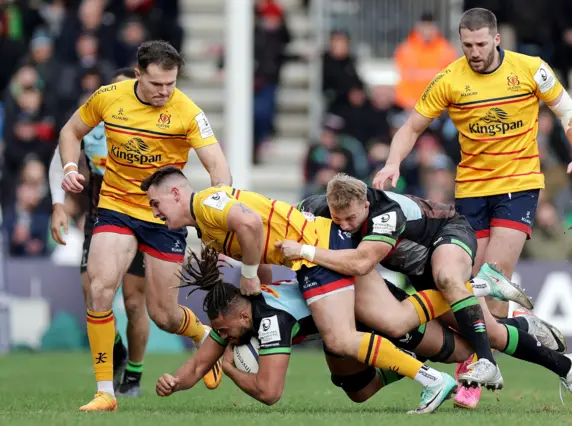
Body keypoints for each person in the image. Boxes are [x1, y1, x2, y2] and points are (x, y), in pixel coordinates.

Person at [372, 7, 572, 409]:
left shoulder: (530, 69)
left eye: (479, 44)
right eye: (466, 45)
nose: (473, 52)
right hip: (471, 192)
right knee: (473, 300)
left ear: (496, 39)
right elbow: (411, 127)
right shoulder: (450, 78)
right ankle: (547, 346)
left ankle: (474, 381)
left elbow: (570, 113)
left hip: (518, 186)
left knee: (488, 281)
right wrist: (393, 162)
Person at [141, 166, 468, 413]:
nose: (155, 212)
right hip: (313, 251)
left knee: (344, 337)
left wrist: (250, 276)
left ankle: (432, 380)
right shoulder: (210, 236)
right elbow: (200, 363)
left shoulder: (208, 203)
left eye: (156, 203)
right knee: (358, 385)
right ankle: (470, 291)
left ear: (175, 194)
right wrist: (176, 383)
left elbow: (251, 224)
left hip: (315, 247)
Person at [280, 174, 572, 410]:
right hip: (419, 272)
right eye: (339, 220)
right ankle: (564, 362)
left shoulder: (385, 214)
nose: (345, 226)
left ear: (365, 204)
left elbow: (361, 263)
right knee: (490, 333)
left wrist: (305, 251)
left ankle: (487, 349)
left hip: (449, 234)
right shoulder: (314, 208)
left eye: (351, 219)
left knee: (447, 278)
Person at [57, 41, 232, 412]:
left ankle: (203, 335)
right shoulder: (108, 97)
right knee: (100, 290)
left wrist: (217, 213)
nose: (165, 92)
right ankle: (106, 391)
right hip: (116, 206)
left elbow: (218, 166)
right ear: (138, 74)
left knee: (163, 315)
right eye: (157, 84)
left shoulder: (187, 111)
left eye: (171, 83)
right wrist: (71, 169)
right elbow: (70, 132)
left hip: (164, 216)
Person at [156, 244, 475, 410]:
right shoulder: (237, 319)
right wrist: (175, 382)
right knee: (360, 392)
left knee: (461, 348)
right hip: (347, 328)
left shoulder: (270, 321)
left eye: (223, 331)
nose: (222, 338)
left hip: (370, 310)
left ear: (240, 317)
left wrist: (231, 369)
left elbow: (269, 393)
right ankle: (409, 360)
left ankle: (477, 289)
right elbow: (199, 364)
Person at [49, 68, 149, 397]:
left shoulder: (149, 129)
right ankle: (115, 349)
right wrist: (59, 205)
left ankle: (133, 374)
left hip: (142, 221)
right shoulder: (91, 127)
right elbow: (60, 154)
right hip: (101, 219)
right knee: (92, 294)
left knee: (135, 304)